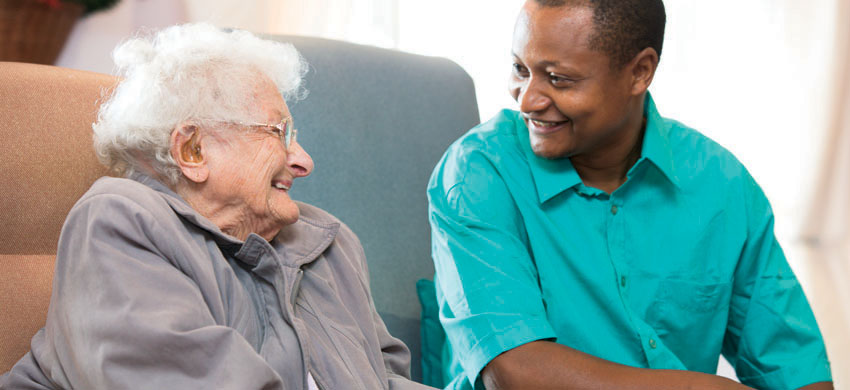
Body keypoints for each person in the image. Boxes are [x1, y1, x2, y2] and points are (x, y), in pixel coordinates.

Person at [1, 23, 433, 390]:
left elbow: (387, 378)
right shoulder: (120, 221)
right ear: (192, 150)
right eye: (280, 134)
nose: (304, 161)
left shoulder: (328, 243)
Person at [427, 1, 833, 389]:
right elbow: (514, 374)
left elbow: (796, 371)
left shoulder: (721, 183)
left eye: (558, 78)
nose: (527, 99)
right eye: (520, 68)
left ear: (640, 72)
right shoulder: (477, 172)